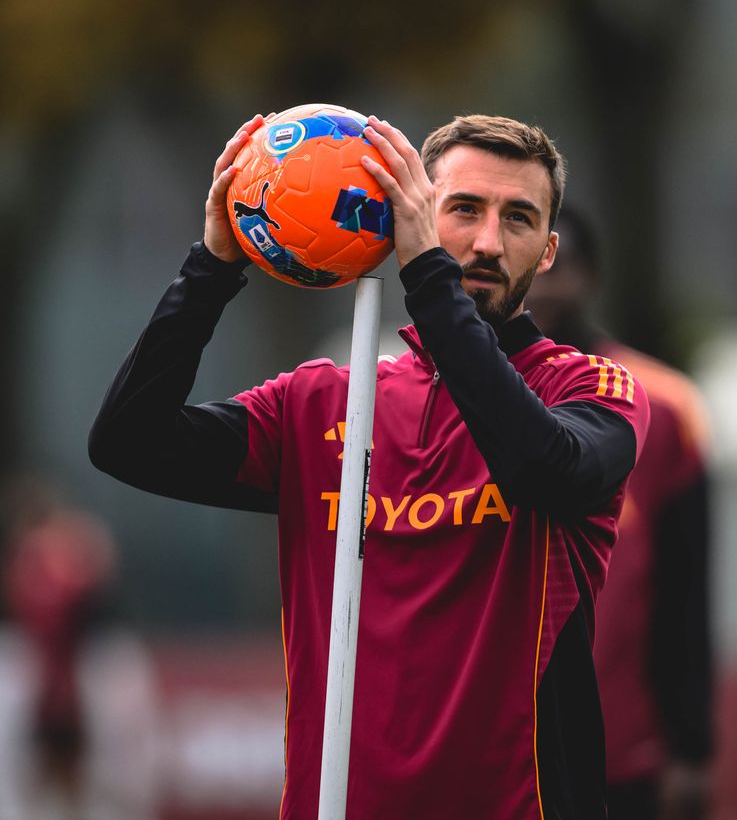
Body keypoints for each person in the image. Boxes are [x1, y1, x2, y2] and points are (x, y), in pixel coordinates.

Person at [89, 113, 650, 819]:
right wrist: (211, 268)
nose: (486, 242)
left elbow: (538, 467)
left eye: (518, 219)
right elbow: (126, 443)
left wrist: (426, 276)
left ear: (546, 252)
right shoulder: (322, 403)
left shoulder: (593, 392)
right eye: (463, 209)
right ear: (409, 216)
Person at [528, 208, 715, 820]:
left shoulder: (664, 406)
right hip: (489, 754)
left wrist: (691, 745)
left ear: (589, 278)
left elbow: (687, 588)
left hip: (622, 754)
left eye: (561, 266)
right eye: (533, 269)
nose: (544, 286)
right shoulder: (451, 395)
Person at [0, 482, 159, 820]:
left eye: (66, 566)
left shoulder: (119, 665)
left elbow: (137, 786)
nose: (50, 588)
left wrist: (76, 741)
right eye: (35, 567)